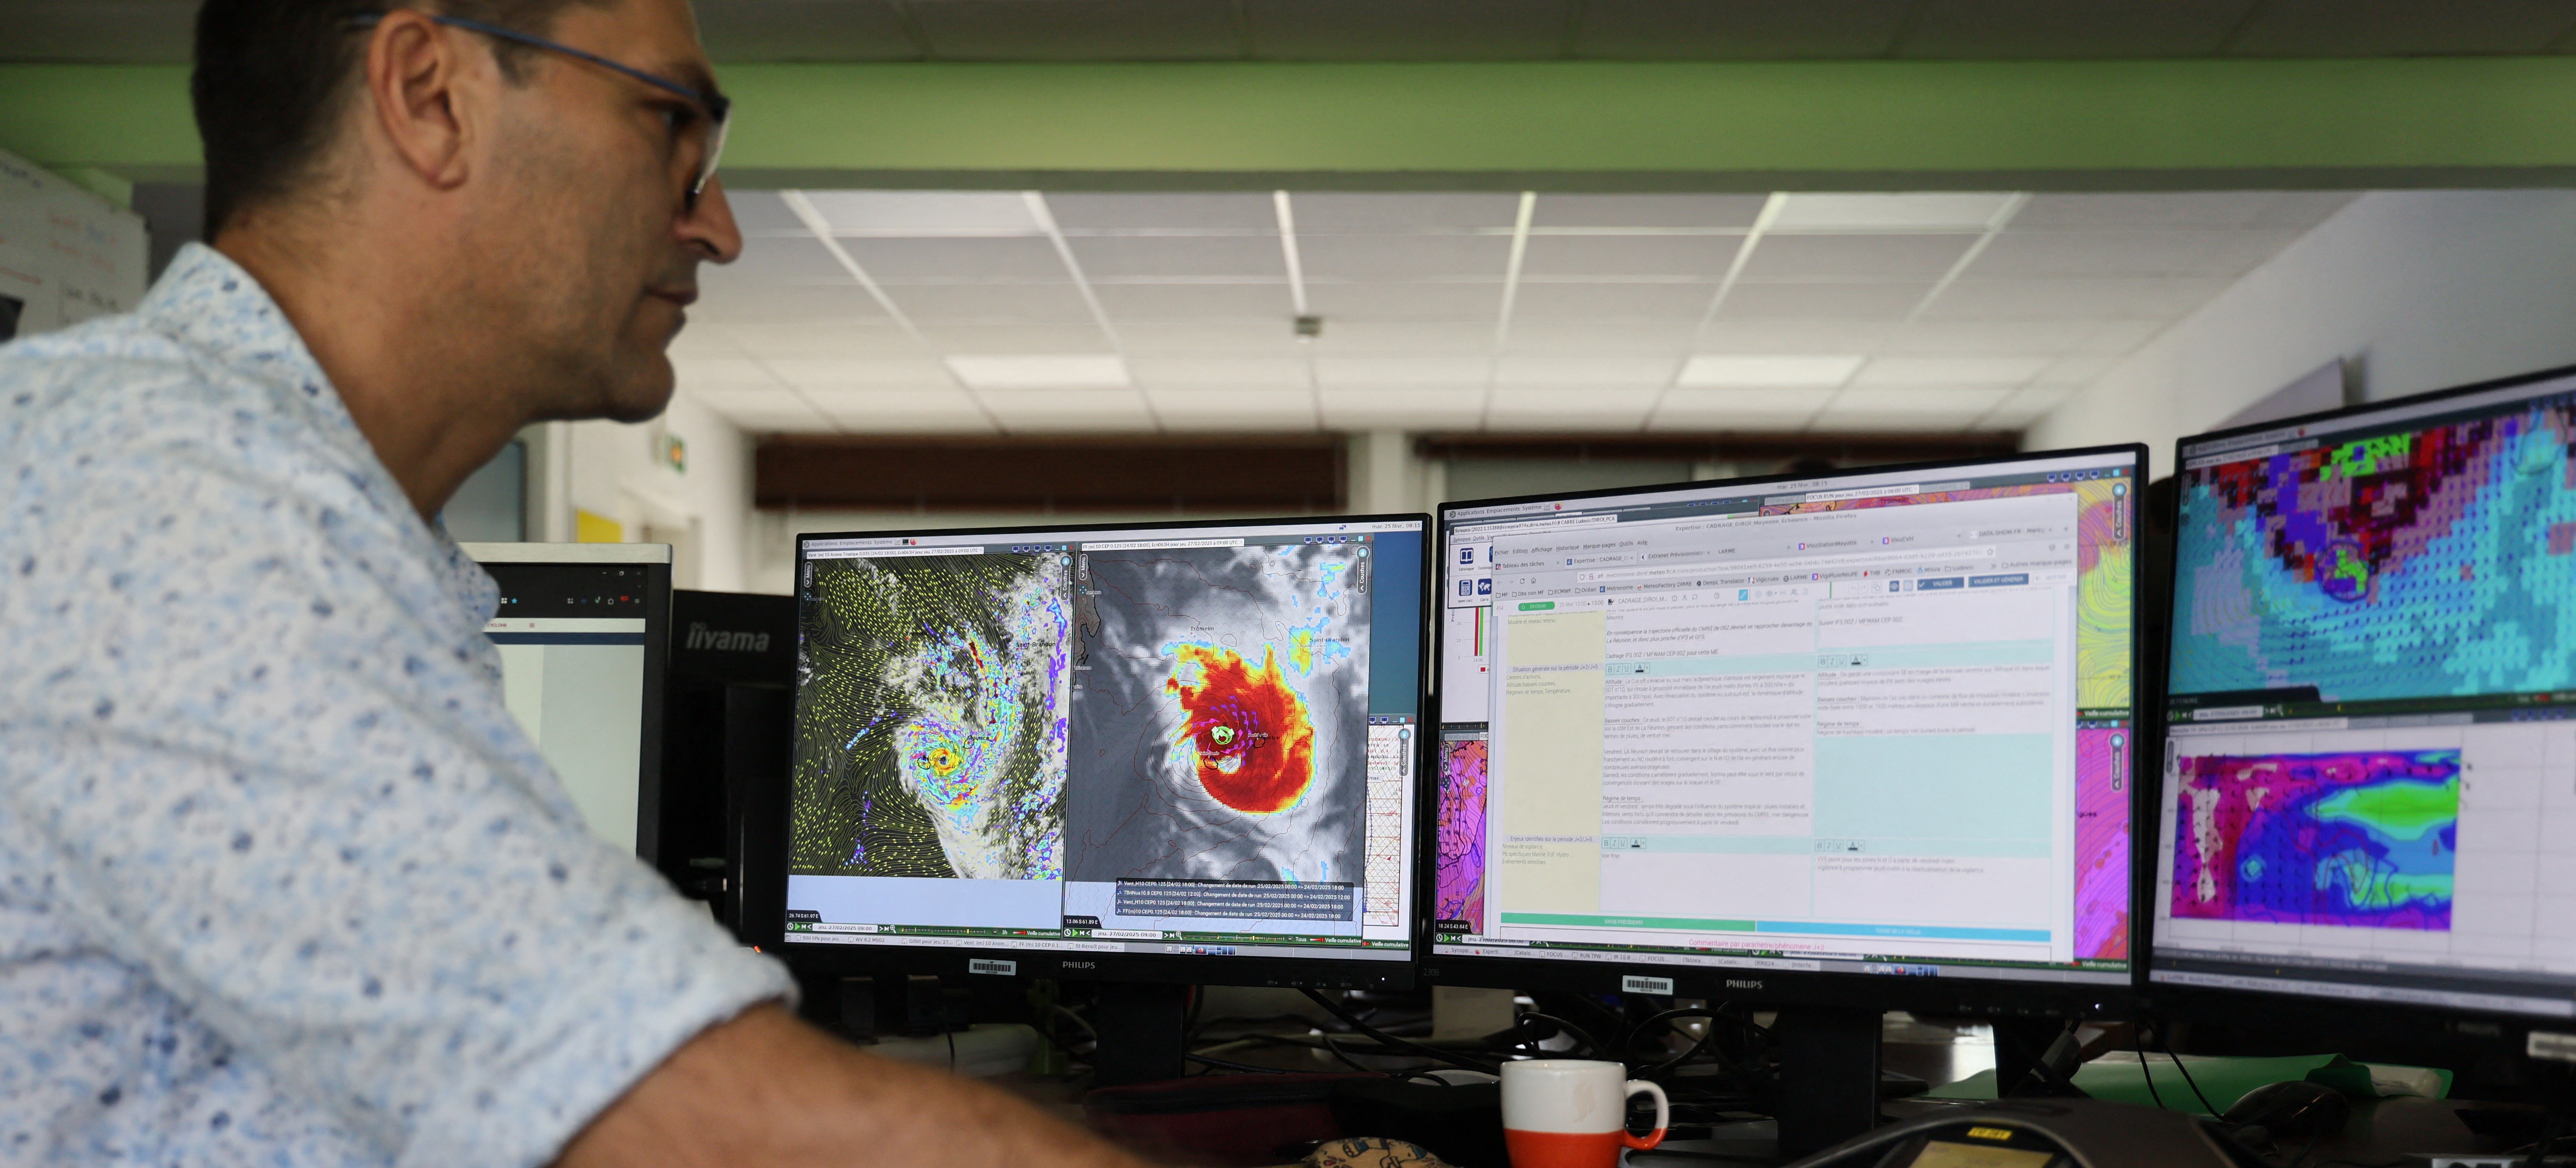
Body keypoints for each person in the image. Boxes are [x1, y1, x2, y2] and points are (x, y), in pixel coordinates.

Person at [0, 2, 1154, 1165]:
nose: (718, 225)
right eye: (671, 123)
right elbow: (702, 1126)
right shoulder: (167, 502)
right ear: (430, 96)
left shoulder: (348, 543)